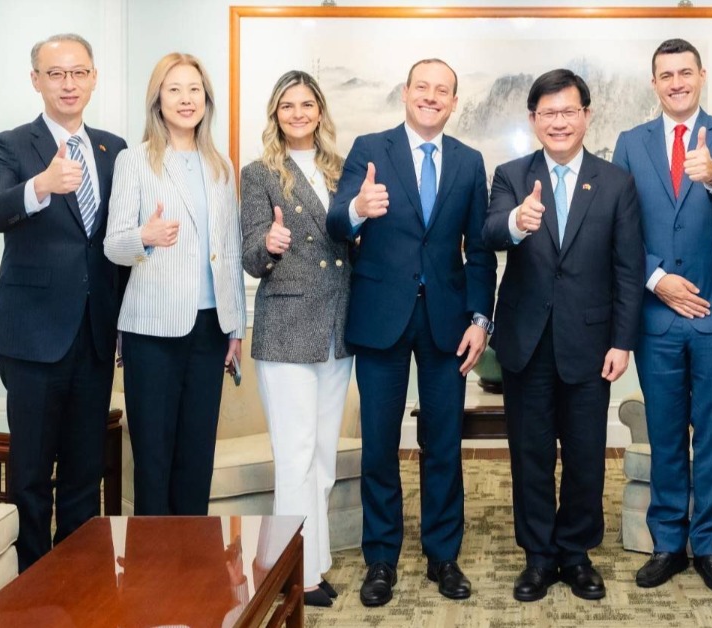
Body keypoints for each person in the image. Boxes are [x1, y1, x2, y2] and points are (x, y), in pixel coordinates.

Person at [326, 58, 496, 607]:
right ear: (405, 92)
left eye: (442, 90)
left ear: (453, 101)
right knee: (379, 444)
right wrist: (358, 208)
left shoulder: (469, 161)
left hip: (448, 323)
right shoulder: (369, 149)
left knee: (443, 443)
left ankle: (443, 555)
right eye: (422, 87)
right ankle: (381, 558)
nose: (431, 96)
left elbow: (479, 250)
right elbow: (335, 221)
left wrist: (480, 319)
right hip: (381, 317)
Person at [482, 69, 643, 602]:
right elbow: (489, 232)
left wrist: (622, 341)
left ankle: (575, 554)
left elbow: (628, 269)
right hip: (526, 341)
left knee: (585, 455)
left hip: (591, 344)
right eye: (547, 113)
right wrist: (517, 222)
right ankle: (538, 556)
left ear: (586, 116)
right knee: (530, 454)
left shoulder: (615, 182)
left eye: (568, 111)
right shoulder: (511, 175)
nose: (558, 122)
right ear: (533, 120)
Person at [0, 33, 128, 572]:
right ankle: (33, 584)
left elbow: (114, 243)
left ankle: (78, 580)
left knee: (85, 472)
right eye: (56, 73)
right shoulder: (11, 144)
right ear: (36, 80)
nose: (69, 83)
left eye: (79, 72)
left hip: (95, 335)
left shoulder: (114, 148)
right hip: (33, 338)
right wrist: (40, 185)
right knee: (32, 475)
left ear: (93, 78)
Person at [611, 37, 712, 594]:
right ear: (654, 83)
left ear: (701, 76)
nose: (676, 83)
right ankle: (668, 544)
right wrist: (657, 281)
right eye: (666, 75)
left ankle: (710, 546)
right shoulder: (631, 143)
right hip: (657, 315)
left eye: (685, 73)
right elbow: (619, 225)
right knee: (666, 436)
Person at [104, 52, 246, 516]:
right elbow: (113, 245)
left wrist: (235, 328)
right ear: (157, 100)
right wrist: (143, 237)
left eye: (194, 90)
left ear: (206, 99)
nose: (186, 99)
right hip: (151, 332)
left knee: (196, 458)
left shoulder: (221, 165)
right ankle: (152, 560)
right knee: (154, 459)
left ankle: (192, 558)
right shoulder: (134, 160)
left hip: (210, 329)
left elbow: (230, 252)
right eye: (174, 90)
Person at [240, 70, 350, 607]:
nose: (298, 113)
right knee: (295, 454)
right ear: (276, 114)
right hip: (286, 328)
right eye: (288, 105)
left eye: (307, 104)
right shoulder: (258, 173)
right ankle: (294, 575)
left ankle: (314, 563)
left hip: (337, 327)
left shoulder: (343, 171)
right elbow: (248, 255)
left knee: (323, 456)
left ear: (320, 111)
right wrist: (269, 242)